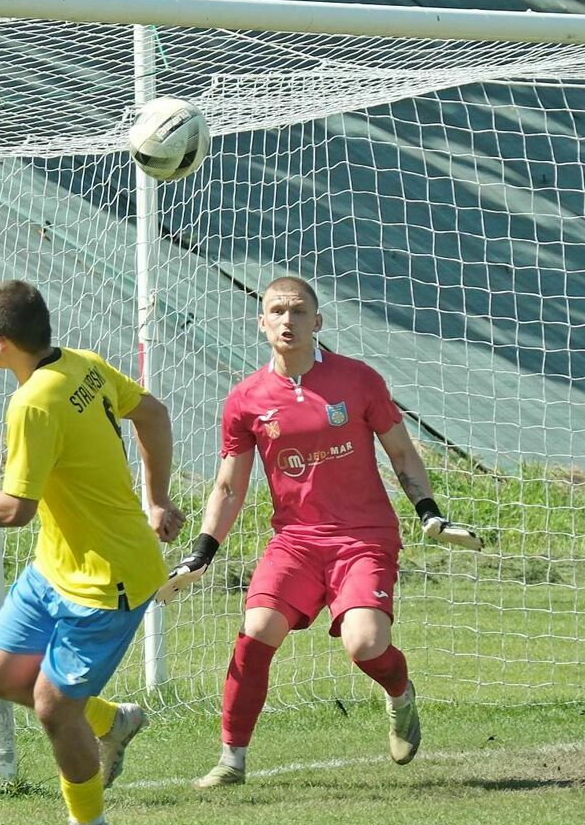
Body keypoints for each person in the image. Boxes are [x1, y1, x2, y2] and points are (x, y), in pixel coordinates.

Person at [158, 275, 481, 787]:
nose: (288, 320)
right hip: (297, 542)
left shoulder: (358, 381)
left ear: (317, 322)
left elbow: (401, 452)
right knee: (257, 627)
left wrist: (428, 511)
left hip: (364, 536)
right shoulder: (246, 399)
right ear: (261, 322)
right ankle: (231, 761)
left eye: (299, 310)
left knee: (365, 643)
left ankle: (400, 694)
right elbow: (228, 488)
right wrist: (202, 552)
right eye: (277, 311)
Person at [0, 280, 185, 825]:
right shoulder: (82, 364)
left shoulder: (32, 403)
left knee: (54, 709)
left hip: (106, 582)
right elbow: (153, 413)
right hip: (54, 569)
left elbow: (14, 510)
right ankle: (113, 722)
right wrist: (156, 498)